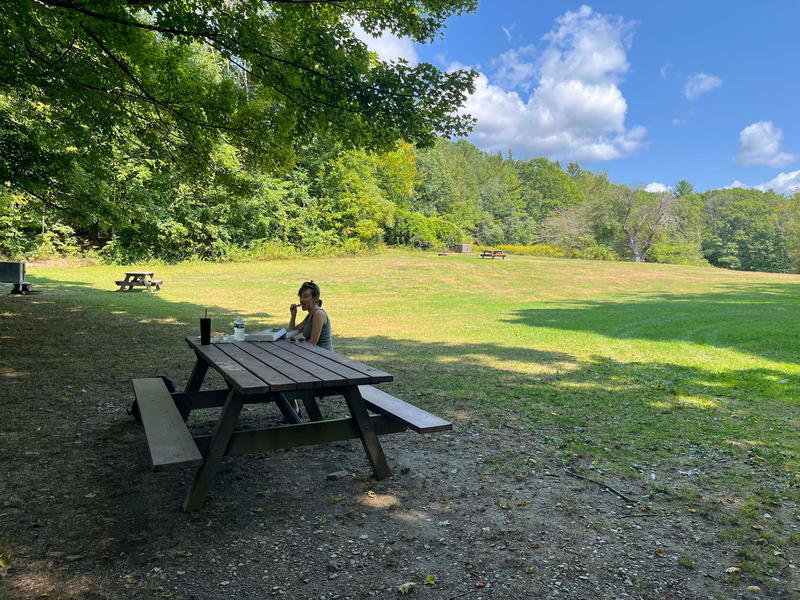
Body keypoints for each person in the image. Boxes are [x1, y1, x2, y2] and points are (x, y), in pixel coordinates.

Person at [289, 280, 333, 351]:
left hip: (325, 357)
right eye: (300, 296)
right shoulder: (310, 315)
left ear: (315, 298)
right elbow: (291, 333)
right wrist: (293, 315)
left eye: (305, 296)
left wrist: (297, 343)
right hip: (314, 355)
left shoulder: (318, 314)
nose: (301, 300)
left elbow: (313, 342)